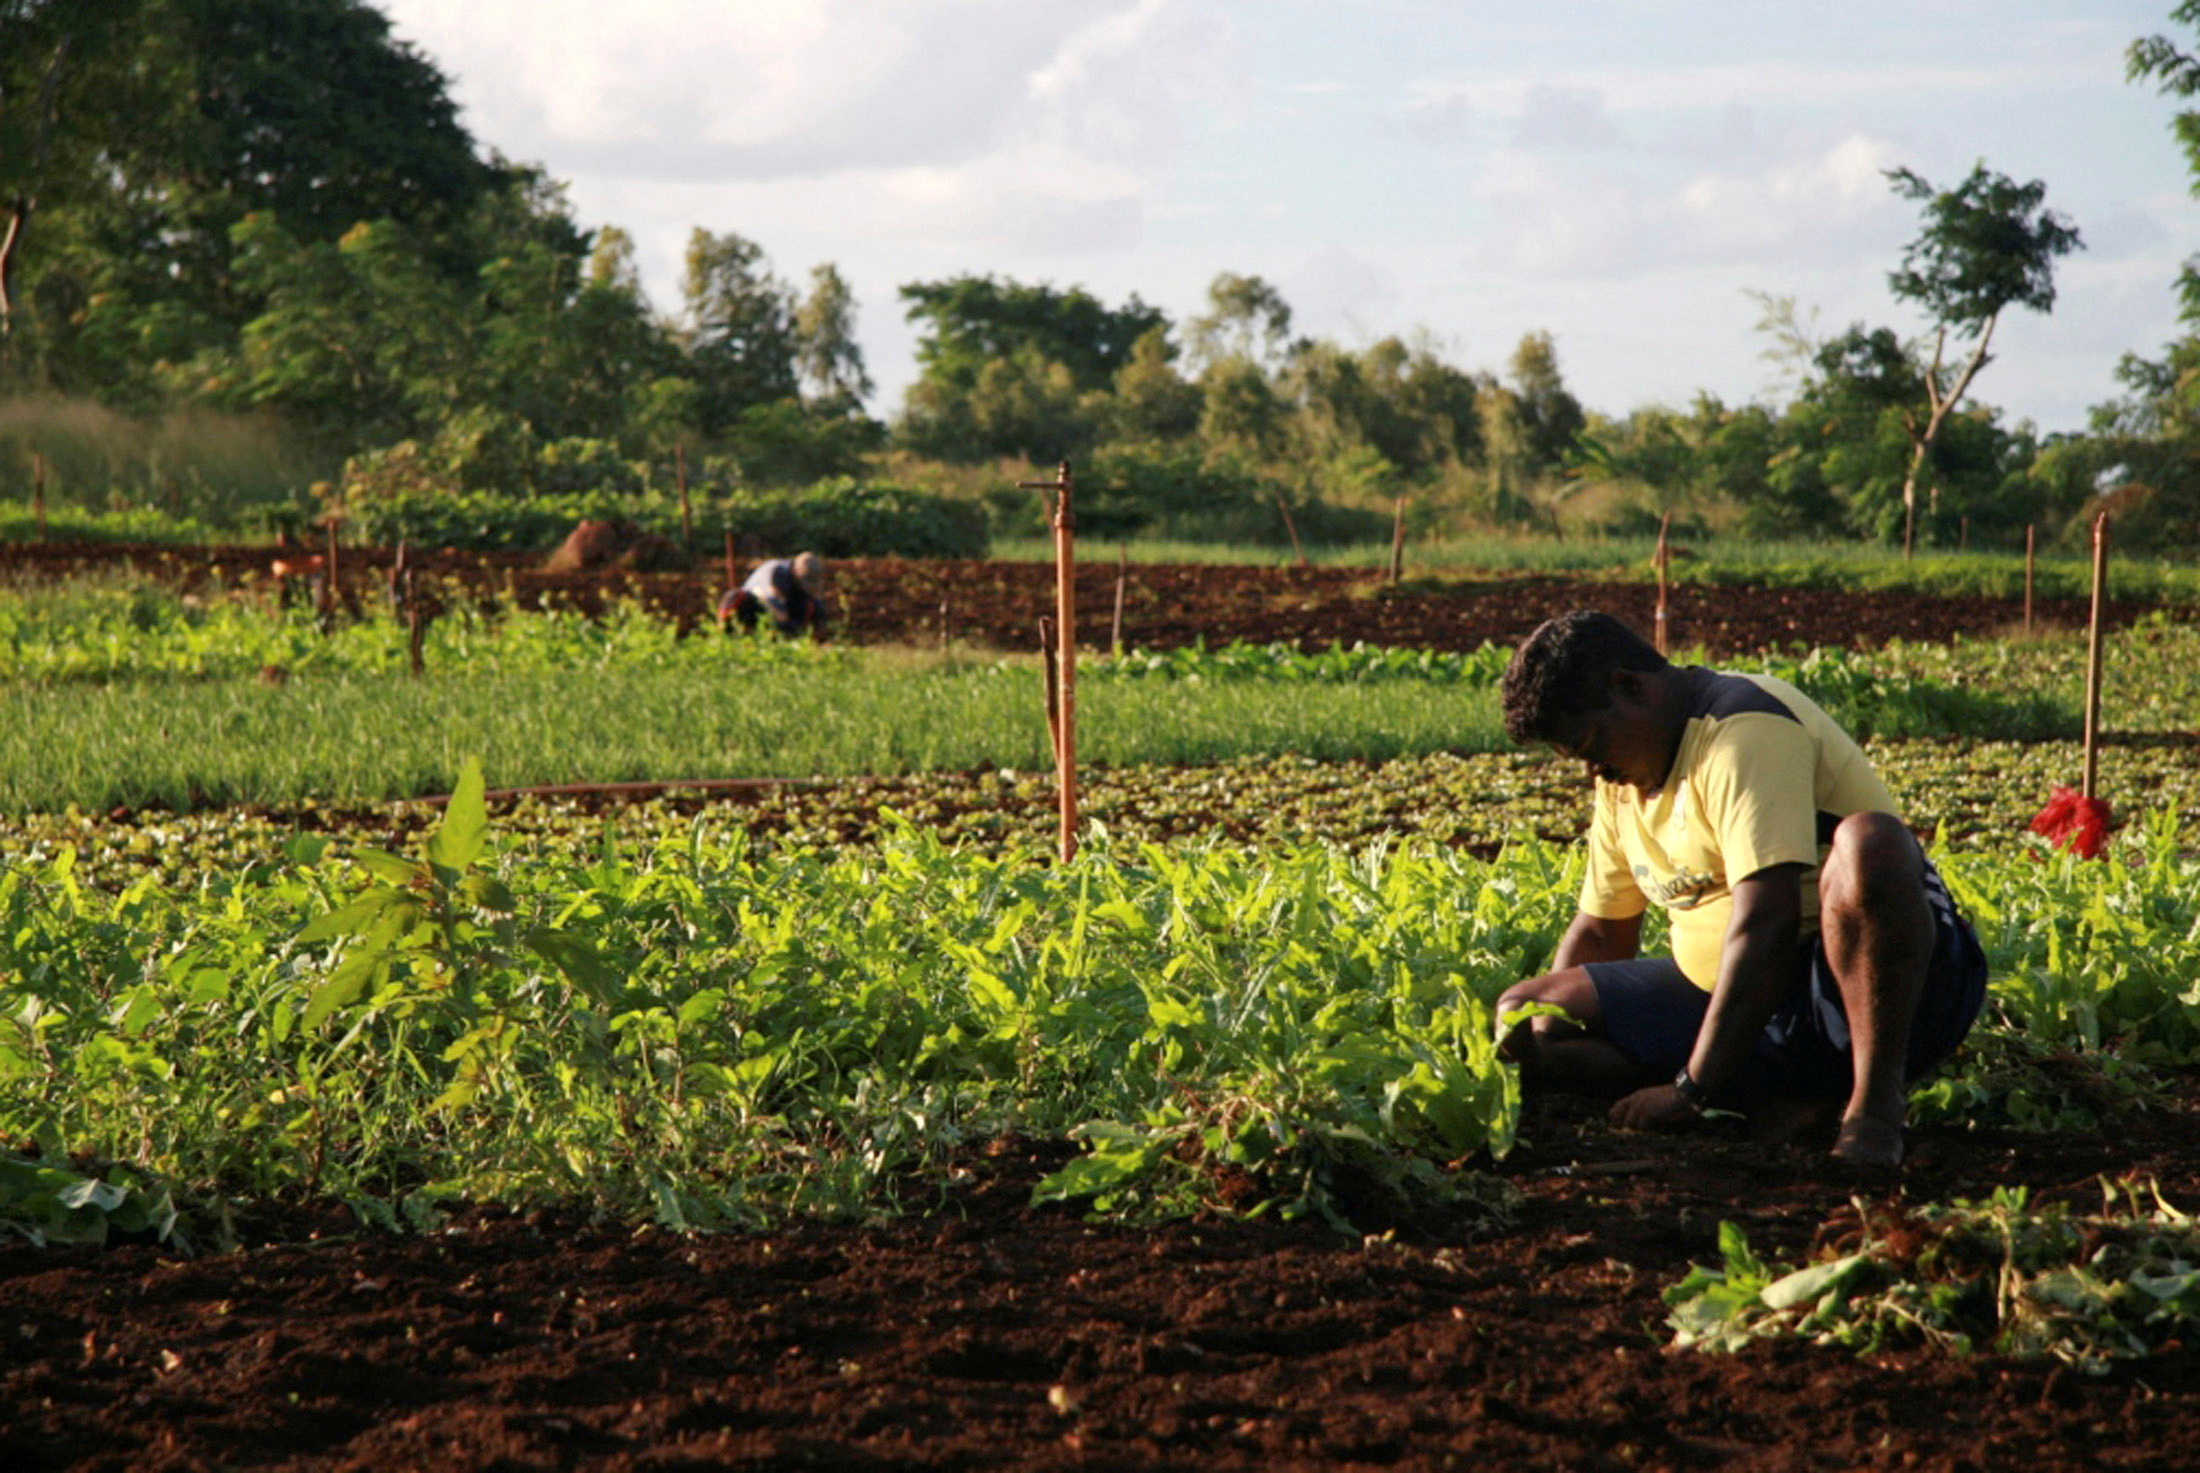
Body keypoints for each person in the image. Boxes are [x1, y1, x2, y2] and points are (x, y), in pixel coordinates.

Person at [1491, 610, 1987, 1168]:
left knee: (1870, 843)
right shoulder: (1625, 780)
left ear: (1629, 687)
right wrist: (1522, 1059)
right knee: (1531, 1014)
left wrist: (1691, 1087)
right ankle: (1784, 1100)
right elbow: (1602, 931)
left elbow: (1767, 923)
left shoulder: (1743, 729)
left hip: (1853, 993)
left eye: (1592, 744)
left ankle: (1871, 1108)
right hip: (1753, 1012)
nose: (1595, 772)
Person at [717, 552, 831, 637]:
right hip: (757, 607)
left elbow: (814, 602)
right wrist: (786, 623)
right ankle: (723, 633)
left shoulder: (802, 587)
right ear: (795, 572)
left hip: (783, 613)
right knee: (733, 596)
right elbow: (773, 605)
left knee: (813, 606)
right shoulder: (777, 572)